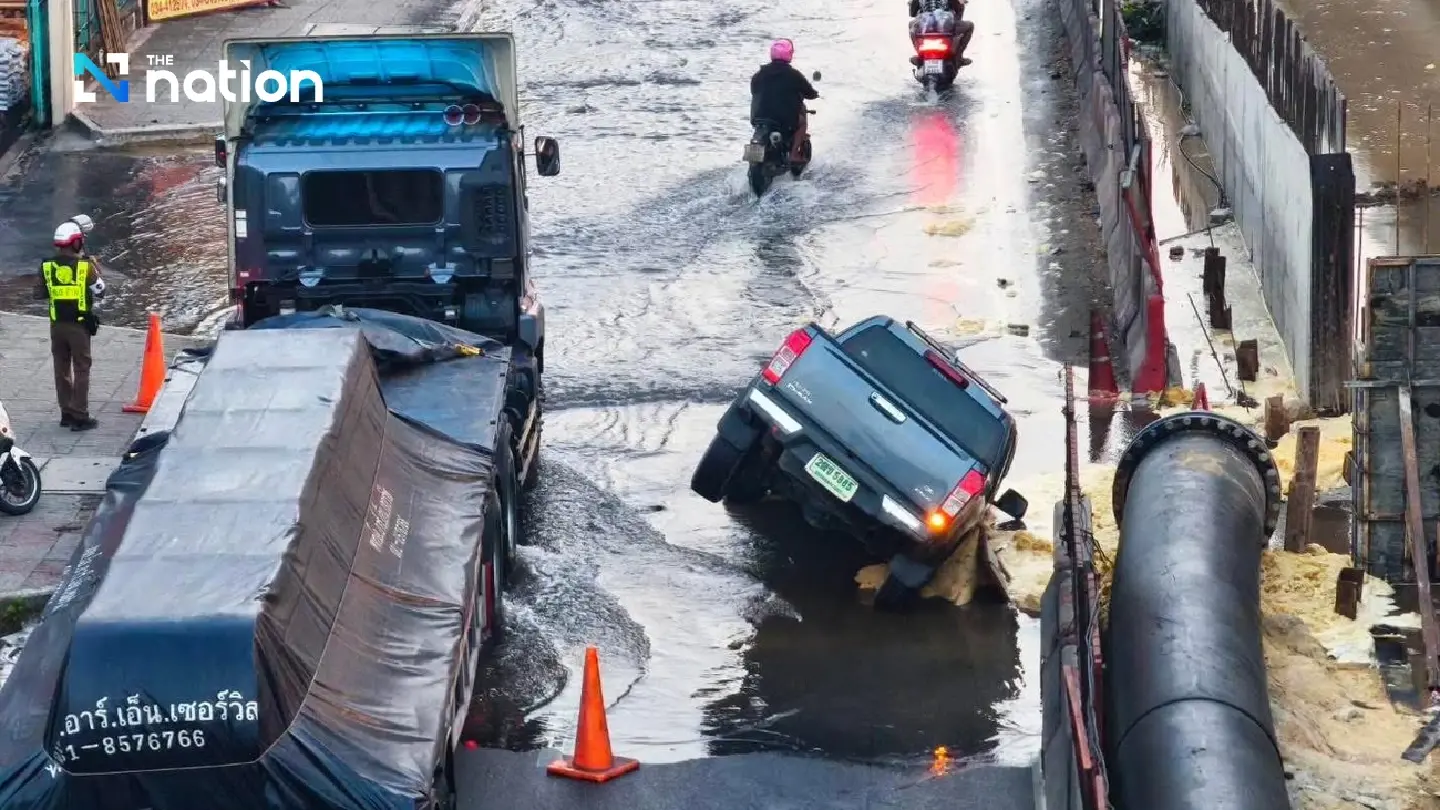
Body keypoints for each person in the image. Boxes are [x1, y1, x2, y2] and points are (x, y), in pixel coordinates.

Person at [36, 220, 102, 432]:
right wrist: (95, 267)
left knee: (61, 368)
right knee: (81, 368)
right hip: (79, 326)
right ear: (76, 243)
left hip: (57, 326)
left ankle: (66, 413)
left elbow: (39, 294)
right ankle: (80, 415)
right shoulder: (85, 267)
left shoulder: (46, 266)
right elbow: (101, 291)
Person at [749, 39, 819, 164]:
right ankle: (793, 154)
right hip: (784, 119)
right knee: (802, 123)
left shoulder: (759, 74)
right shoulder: (793, 75)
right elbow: (809, 91)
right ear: (789, 54)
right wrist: (814, 94)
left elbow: (753, 90)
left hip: (759, 116)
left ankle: (756, 160)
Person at [908, 0, 974, 67]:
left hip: (926, 29)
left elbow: (913, 13)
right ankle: (958, 57)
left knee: (911, 26)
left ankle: (919, 55)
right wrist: (960, 4)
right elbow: (957, 11)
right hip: (944, 28)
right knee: (970, 26)